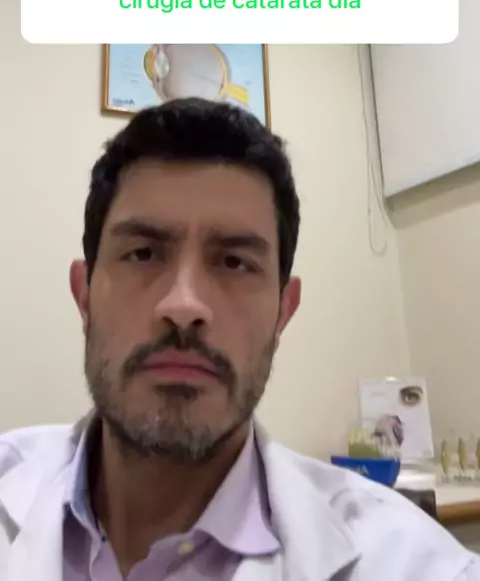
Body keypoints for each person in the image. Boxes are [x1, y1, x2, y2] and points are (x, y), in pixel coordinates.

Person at [0, 98, 478, 581]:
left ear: (283, 312)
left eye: (234, 262)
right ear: (84, 295)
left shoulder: (416, 565)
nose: (184, 305)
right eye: (142, 253)